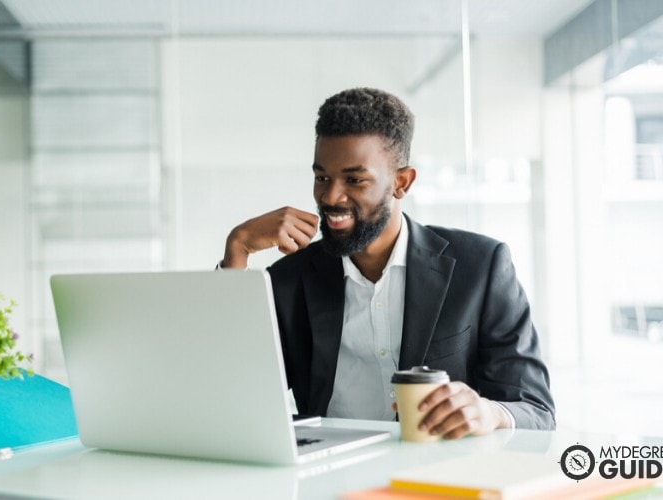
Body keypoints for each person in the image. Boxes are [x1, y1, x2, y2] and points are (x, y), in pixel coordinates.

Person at [220, 88, 555, 439]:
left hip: (441, 480)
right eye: (322, 177)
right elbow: (232, 393)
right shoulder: (289, 279)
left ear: (401, 182)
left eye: (354, 180)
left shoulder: (481, 268)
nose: (331, 196)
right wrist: (238, 249)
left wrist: (490, 413)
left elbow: (536, 408)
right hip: (328, 483)